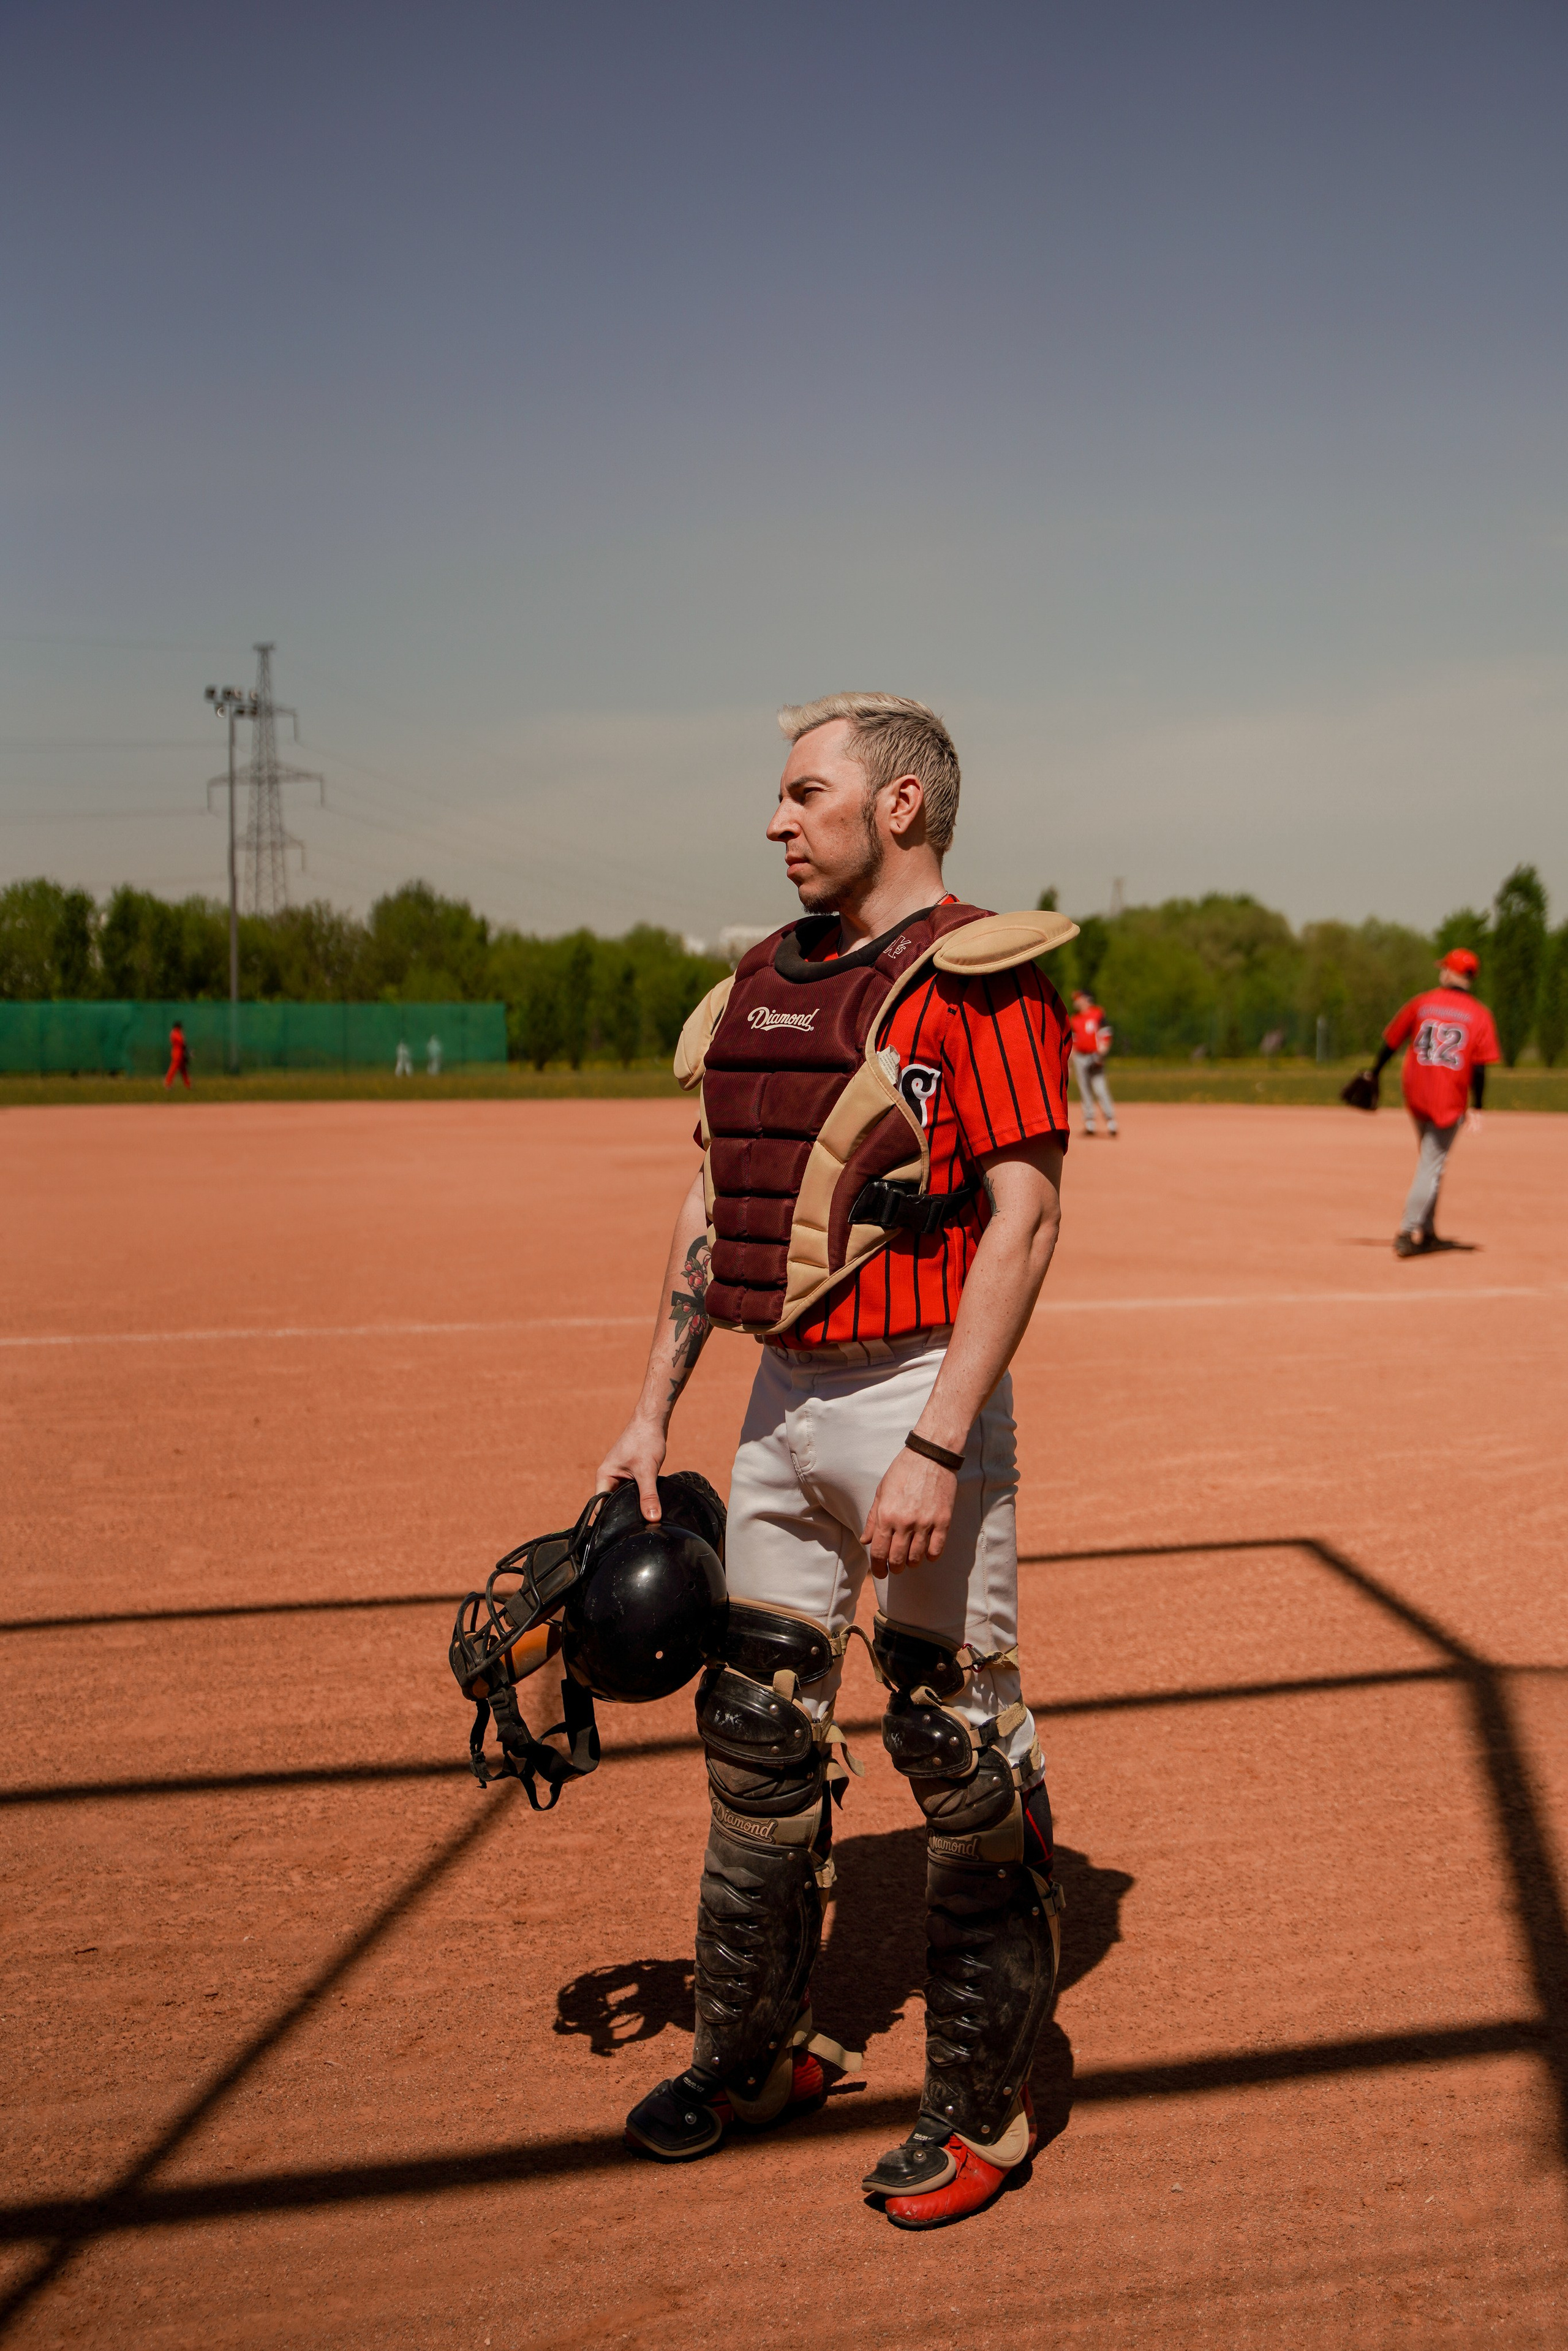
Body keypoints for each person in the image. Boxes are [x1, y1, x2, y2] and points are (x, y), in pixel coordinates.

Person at [597, 690, 1074, 2228]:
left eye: (805, 794)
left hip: (914, 1392)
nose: (775, 819)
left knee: (950, 1746)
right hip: (778, 1396)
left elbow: (1026, 1214)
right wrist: (648, 1413)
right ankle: (752, 2052)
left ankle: (977, 2112)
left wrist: (939, 1440)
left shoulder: (972, 982)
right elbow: (706, 1217)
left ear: (902, 809)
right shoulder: (755, 984)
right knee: (754, 1729)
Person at [1366, 946, 1499, 1257]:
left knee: (1431, 1163)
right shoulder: (1480, 1015)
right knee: (1431, 1164)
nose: (1442, 972)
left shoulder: (1423, 1002)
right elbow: (1479, 1067)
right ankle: (1407, 1231)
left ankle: (1427, 1232)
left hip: (1417, 1093)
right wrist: (1478, 1105)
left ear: (1452, 973)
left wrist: (1374, 1072)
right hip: (1448, 1099)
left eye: (1445, 968)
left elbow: (1391, 1040)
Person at [1068, 987, 1117, 1136]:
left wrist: (1101, 1054)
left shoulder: (1097, 1014)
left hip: (1095, 1056)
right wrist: (1070, 1062)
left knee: (1100, 1089)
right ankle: (1090, 1124)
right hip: (1080, 1058)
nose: (1076, 1002)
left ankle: (1111, 1122)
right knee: (1085, 1091)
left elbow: (1106, 1033)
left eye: (1079, 998)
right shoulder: (1075, 1019)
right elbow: (1074, 1041)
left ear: (1087, 999)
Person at [163, 1021, 191, 1091]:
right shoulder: (176, 1033)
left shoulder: (175, 1033)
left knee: (184, 1070)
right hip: (177, 1053)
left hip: (179, 1053)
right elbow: (182, 1042)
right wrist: (187, 1050)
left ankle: (188, 1084)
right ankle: (168, 1083)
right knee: (173, 1069)